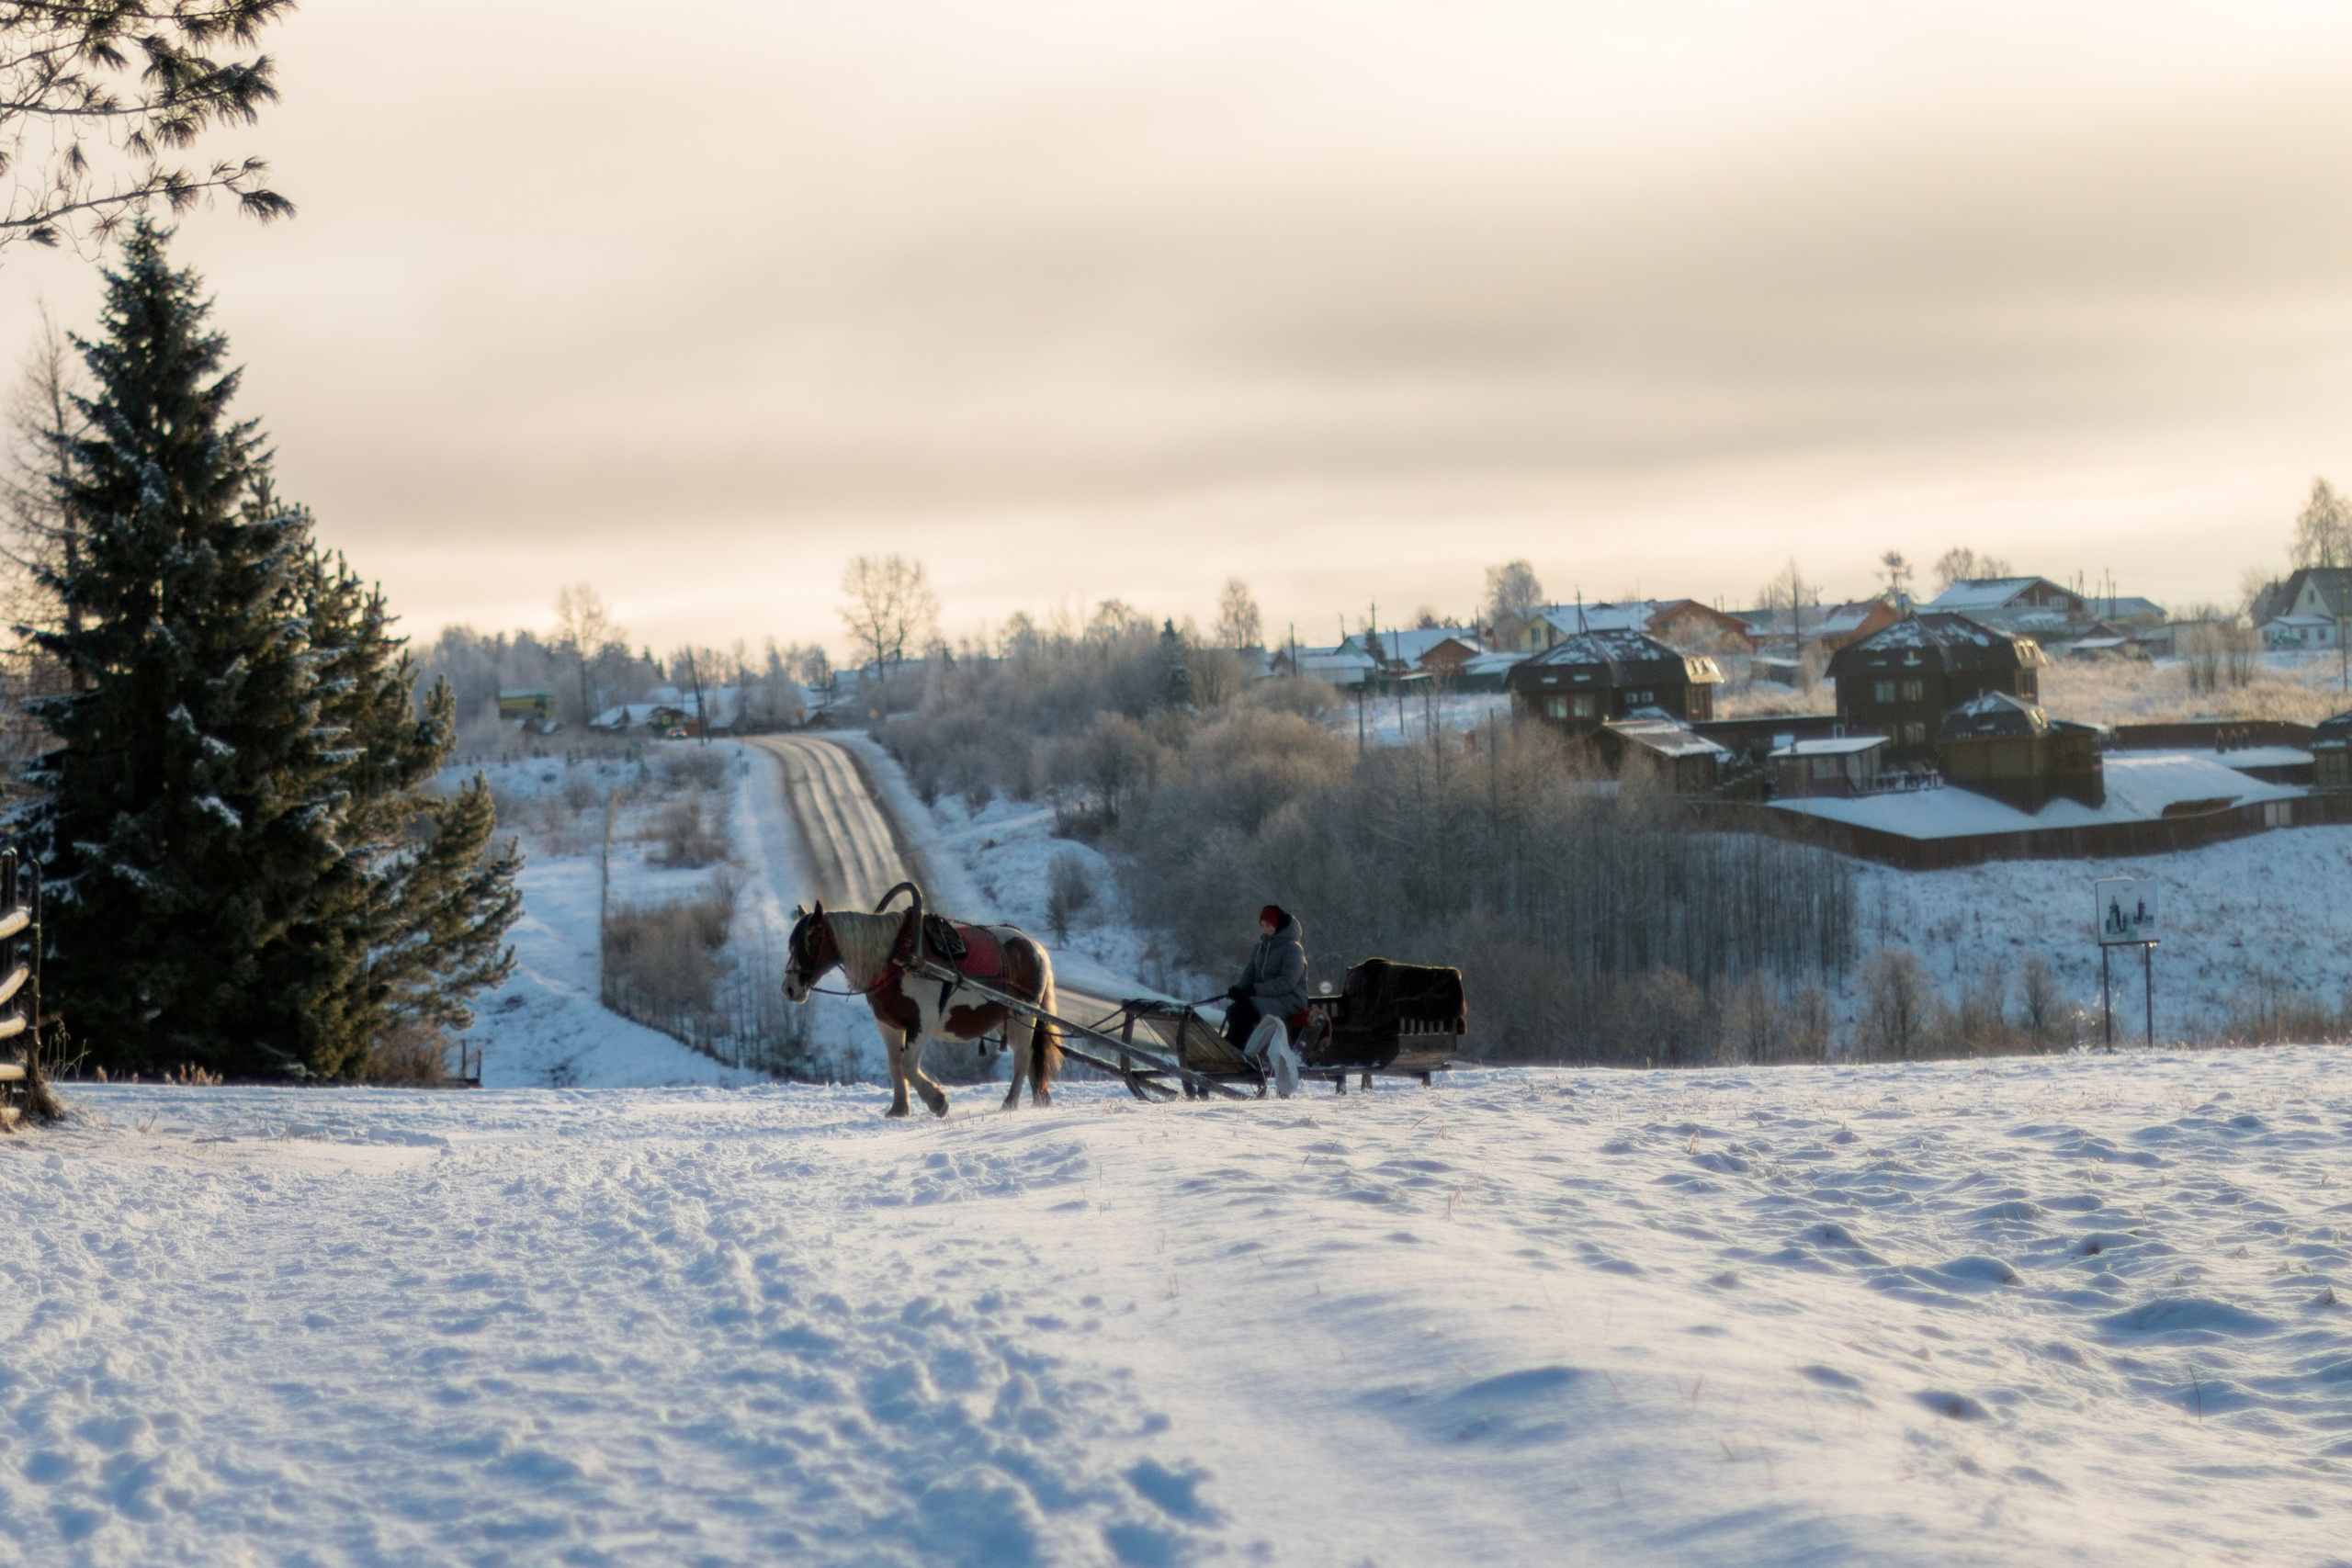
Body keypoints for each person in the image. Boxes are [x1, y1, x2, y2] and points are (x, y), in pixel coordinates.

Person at [1226, 904, 1308, 1048]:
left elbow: (1287, 982)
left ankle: (1236, 1047)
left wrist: (1255, 990)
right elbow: (1249, 972)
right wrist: (1239, 989)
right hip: (1267, 996)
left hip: (1291, 999)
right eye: (1263, 926)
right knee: (1234, 1009)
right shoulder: (1260, 948)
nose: (1265, 930)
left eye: (1269, 925)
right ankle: (1242, 1046)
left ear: (1279, 925)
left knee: (1247, 1009)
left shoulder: (1293, 948)